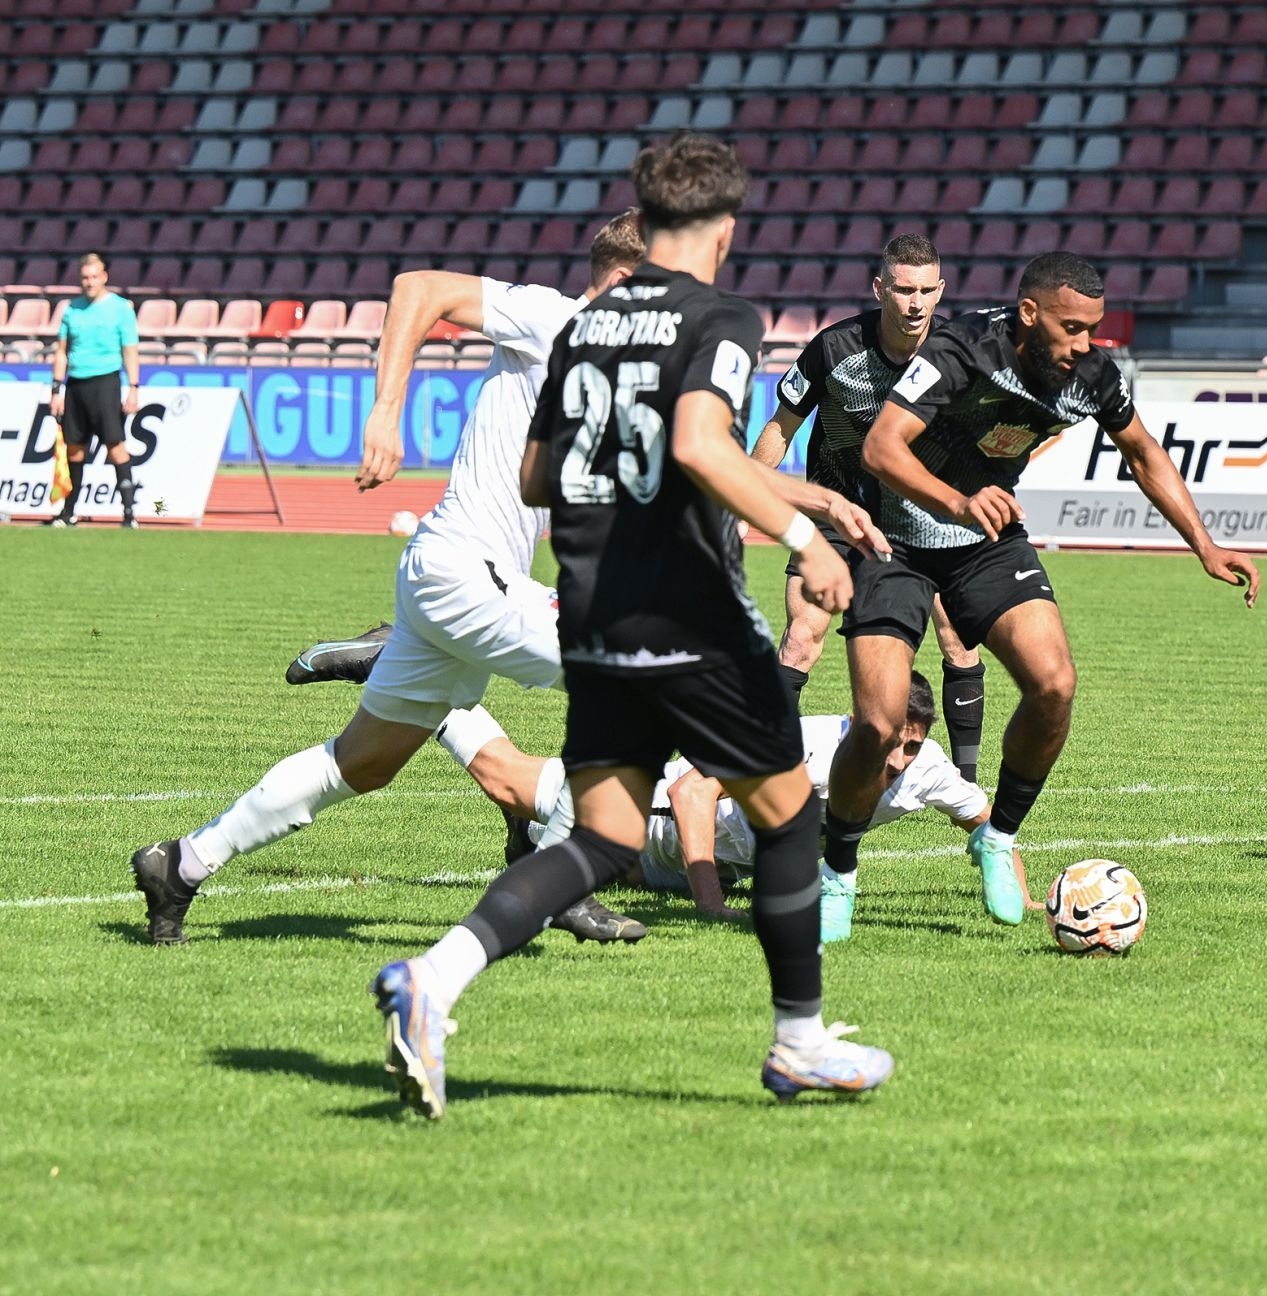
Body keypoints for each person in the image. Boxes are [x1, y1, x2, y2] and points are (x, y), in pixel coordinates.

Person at [370, 132, 894, 1118]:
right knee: (788, 813)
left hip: (591, 613)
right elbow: (699, 443)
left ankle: (431, 982)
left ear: (643, 219)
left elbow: (536, 478)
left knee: (607, 832)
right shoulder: (723, 316)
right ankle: (799, 1045)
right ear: (727, 229)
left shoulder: (585, 326)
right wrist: (798, 528)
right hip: (687, 613)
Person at [128, 213, 666, 945]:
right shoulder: (560, 319)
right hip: (461, 573)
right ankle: (557, 875)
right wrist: (387, 411)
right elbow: (419, 288)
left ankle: (182, 864)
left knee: (362, 763)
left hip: (456, 576)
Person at [824, 251, 1261, 938]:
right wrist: (958, 502)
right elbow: (882, 449)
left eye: (1095, 328)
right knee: (878, 724)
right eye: (1072, 328)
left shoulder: (1090, 376)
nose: (1086, 343)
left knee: (1054, 683)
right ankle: (839, 868)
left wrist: (1204, 544)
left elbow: (1144, 453)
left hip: (984, 542)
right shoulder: (963, 348)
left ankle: (997, 836)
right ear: (1030, 314)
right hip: (893, 541)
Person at [750, 236, 991, 782]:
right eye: (904, 290)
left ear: (941, 291)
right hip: (837, 514)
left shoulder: (956, 352)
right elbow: (780, 427)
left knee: (956, 638)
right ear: (880, 288)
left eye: (927, 291)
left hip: (923, 518)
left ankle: (965, 784)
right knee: (803, 633)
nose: (915, 304)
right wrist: (748, 496)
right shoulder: (834, 349)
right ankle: (771, 769)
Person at [621, 674, 1039, 929]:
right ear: (860, 722)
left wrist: (1022, 895)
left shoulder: (927, 769)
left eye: (911, 746)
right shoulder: (809, 745)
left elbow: (992, 827)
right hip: (643, 809)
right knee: (561, 798)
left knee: (599, 874)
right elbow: (691, 792)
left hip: (704, 867)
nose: (897, 760)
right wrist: (711, 907)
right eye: (890, 742)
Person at [43, 253, 140, 527]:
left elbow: (130, 350)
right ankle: (69, 511)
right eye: (85, 277)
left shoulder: (121, 308)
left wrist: (133, 387)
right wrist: (56, 389)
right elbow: (61, 352)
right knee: (74, 448)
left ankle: (129, 513)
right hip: (75, 384)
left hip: (105, 382)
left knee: (115, 445)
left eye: (95, 276)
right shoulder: (72, 309)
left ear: (105, 277)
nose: (90, 282)